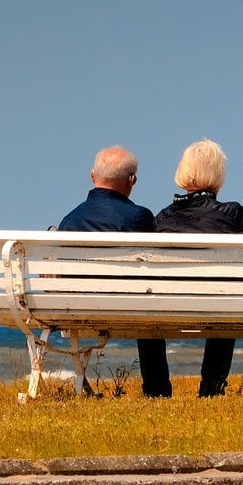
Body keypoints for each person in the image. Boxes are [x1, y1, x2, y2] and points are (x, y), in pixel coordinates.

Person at [152, 139, 243, 397]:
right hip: (219, 305)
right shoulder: (232, 214)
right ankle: (211, 388)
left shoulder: (161, 218)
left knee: (221, 295)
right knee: (224, 297)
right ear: (218, 174)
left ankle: (157, 391)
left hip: (166, 305)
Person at [56, 145, 171, 398]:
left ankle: (80, 386)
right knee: (149, 313)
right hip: (129, 306)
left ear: (92, 176)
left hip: (78, 307)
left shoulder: (70, 221)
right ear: (132, 181)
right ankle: (157, 391)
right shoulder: (139, 217)